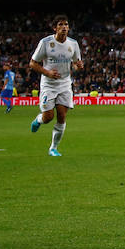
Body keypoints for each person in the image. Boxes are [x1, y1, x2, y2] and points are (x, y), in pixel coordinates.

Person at [29, 15, 83, 157]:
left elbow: (76, 64)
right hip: (48, 84)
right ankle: (39, 119)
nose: (64, 27)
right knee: (48, 117)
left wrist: (78, 66)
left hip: (65, 83)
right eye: (61, 24)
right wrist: (47, 72)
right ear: (55, 28)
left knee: (61, 115)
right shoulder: (45, 43)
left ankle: (53, 148)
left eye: (66, 24)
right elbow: (32, 63)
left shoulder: (73, 44)